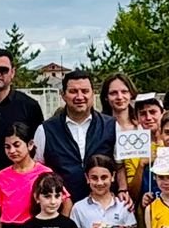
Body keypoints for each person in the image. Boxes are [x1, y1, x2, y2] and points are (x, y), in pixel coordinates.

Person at [35, 70, 115, 202]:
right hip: (61, 207)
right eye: (73, 91)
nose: (79, 96)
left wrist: (122, 190)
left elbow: (120, 166)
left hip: (104, 206)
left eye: (85, 91)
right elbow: (38, 170)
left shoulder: (111, 126)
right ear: (63, 95)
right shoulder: (45, 130)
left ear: (93, 93)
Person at [0, 123, 54, 228]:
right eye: (7, 147)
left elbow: (65, 201)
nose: (12, 151)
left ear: (30, 144)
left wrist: (55, 227)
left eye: (17, 145)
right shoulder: (1, 176)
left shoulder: (44, 173)